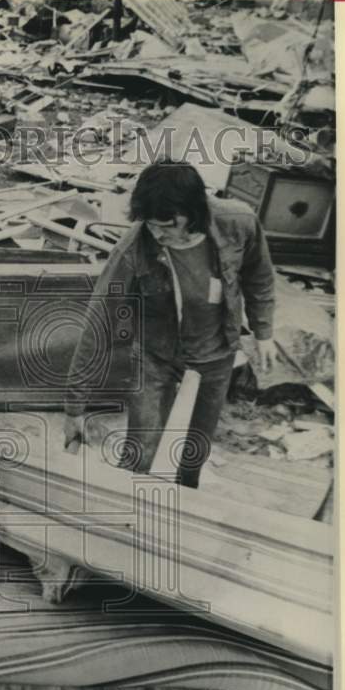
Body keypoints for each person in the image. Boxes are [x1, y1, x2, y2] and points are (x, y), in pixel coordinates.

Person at [64, 161, 277, 487]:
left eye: (167, 224)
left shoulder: (238, 222)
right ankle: (127, 508)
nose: (158, 233)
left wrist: (263, 333)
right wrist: (74, 407)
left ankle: (182, 509)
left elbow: (259, 275)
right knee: (141, 451)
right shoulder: (134, 249)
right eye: (150, 224)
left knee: (194, 451)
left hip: (215, 353)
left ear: (193, 213)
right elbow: (99, 323)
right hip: (154, 355)